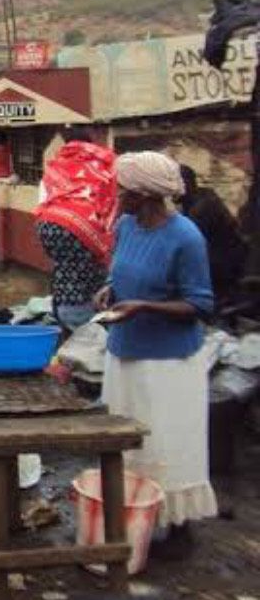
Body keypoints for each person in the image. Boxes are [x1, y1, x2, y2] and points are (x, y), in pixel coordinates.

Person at [94, 151, 216, 559]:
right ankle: (135, 517)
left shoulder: (186, 237)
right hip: (125, 354)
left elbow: (200, 305)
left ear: (144, 194)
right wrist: (110, 290)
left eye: (123, 189)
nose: (117, 194)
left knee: (167, 444)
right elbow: (122, 272)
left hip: (168, 365)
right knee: (128, 443)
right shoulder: (126, 226)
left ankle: (179, 529)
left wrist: (144, 306)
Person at [35, 131, 117, 330]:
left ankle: (64, 315)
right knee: (92, 271)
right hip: (85, 228)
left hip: (49, 224)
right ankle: (85, 322)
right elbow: (110, 200)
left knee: (63, 268)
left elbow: (43, 200)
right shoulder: (101, 164)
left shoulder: (55, 166)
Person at [180, 165, 247, 304]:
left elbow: (188, 247)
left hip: (224, 269)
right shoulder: (199, 198)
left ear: (185, 184)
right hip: (222, 265)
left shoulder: (202, 207)